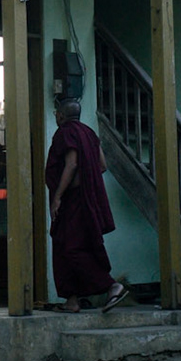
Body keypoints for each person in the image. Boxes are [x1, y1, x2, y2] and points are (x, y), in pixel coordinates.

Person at [46, 96, 128, 312]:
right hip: (86, 200)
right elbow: (102, 165)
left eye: (56, 113)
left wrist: (58, 196)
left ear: (61, 115)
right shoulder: (89, 133)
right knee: (65, 247)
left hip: (73, 201)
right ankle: (72, 300)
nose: (55, 116)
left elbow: (71, 164)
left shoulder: (65, 133)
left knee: (72, 249)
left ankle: (111, 285)